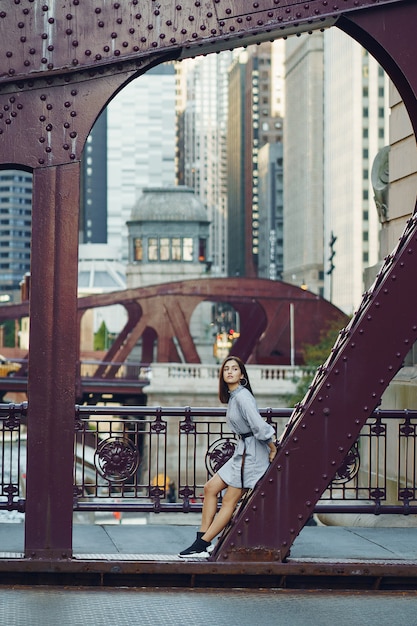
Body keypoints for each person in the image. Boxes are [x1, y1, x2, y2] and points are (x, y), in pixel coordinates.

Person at [179, 355, 277, 558]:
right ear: (223, 376)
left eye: (234, 369)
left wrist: (272, 447)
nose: (230, 372)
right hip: (242, 452)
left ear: (242, 375)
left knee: (229, 501)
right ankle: (202, 539)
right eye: (226, 369)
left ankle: (203, 544)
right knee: (210, 488)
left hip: (251, 455)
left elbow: (258, 425)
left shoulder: (242, 397)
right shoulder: (235, 397)